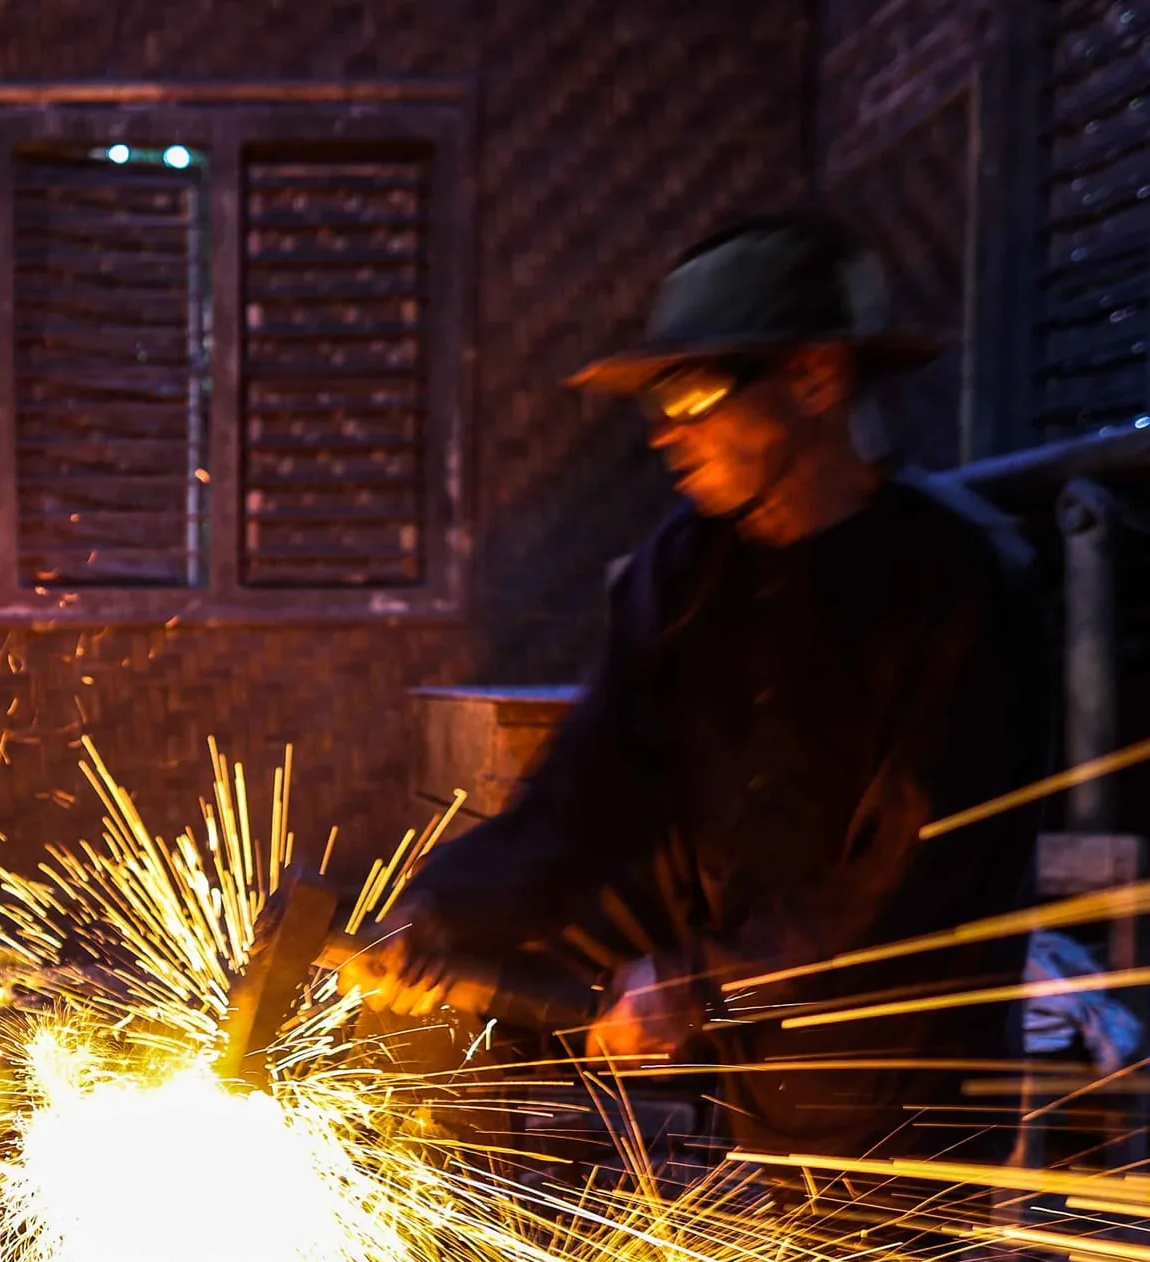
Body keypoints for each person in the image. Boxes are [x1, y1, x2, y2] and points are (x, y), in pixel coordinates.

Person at [345, 214, 1050, 1174]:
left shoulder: (959, 582)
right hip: (737, 1004)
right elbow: (588, 797)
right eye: (657, 401)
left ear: (815, 377)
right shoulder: (682, 572)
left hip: (901, 1055)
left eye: (697, 390)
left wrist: (698, 984)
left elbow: (907, 881)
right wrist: (436, 916)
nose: (667, 431)